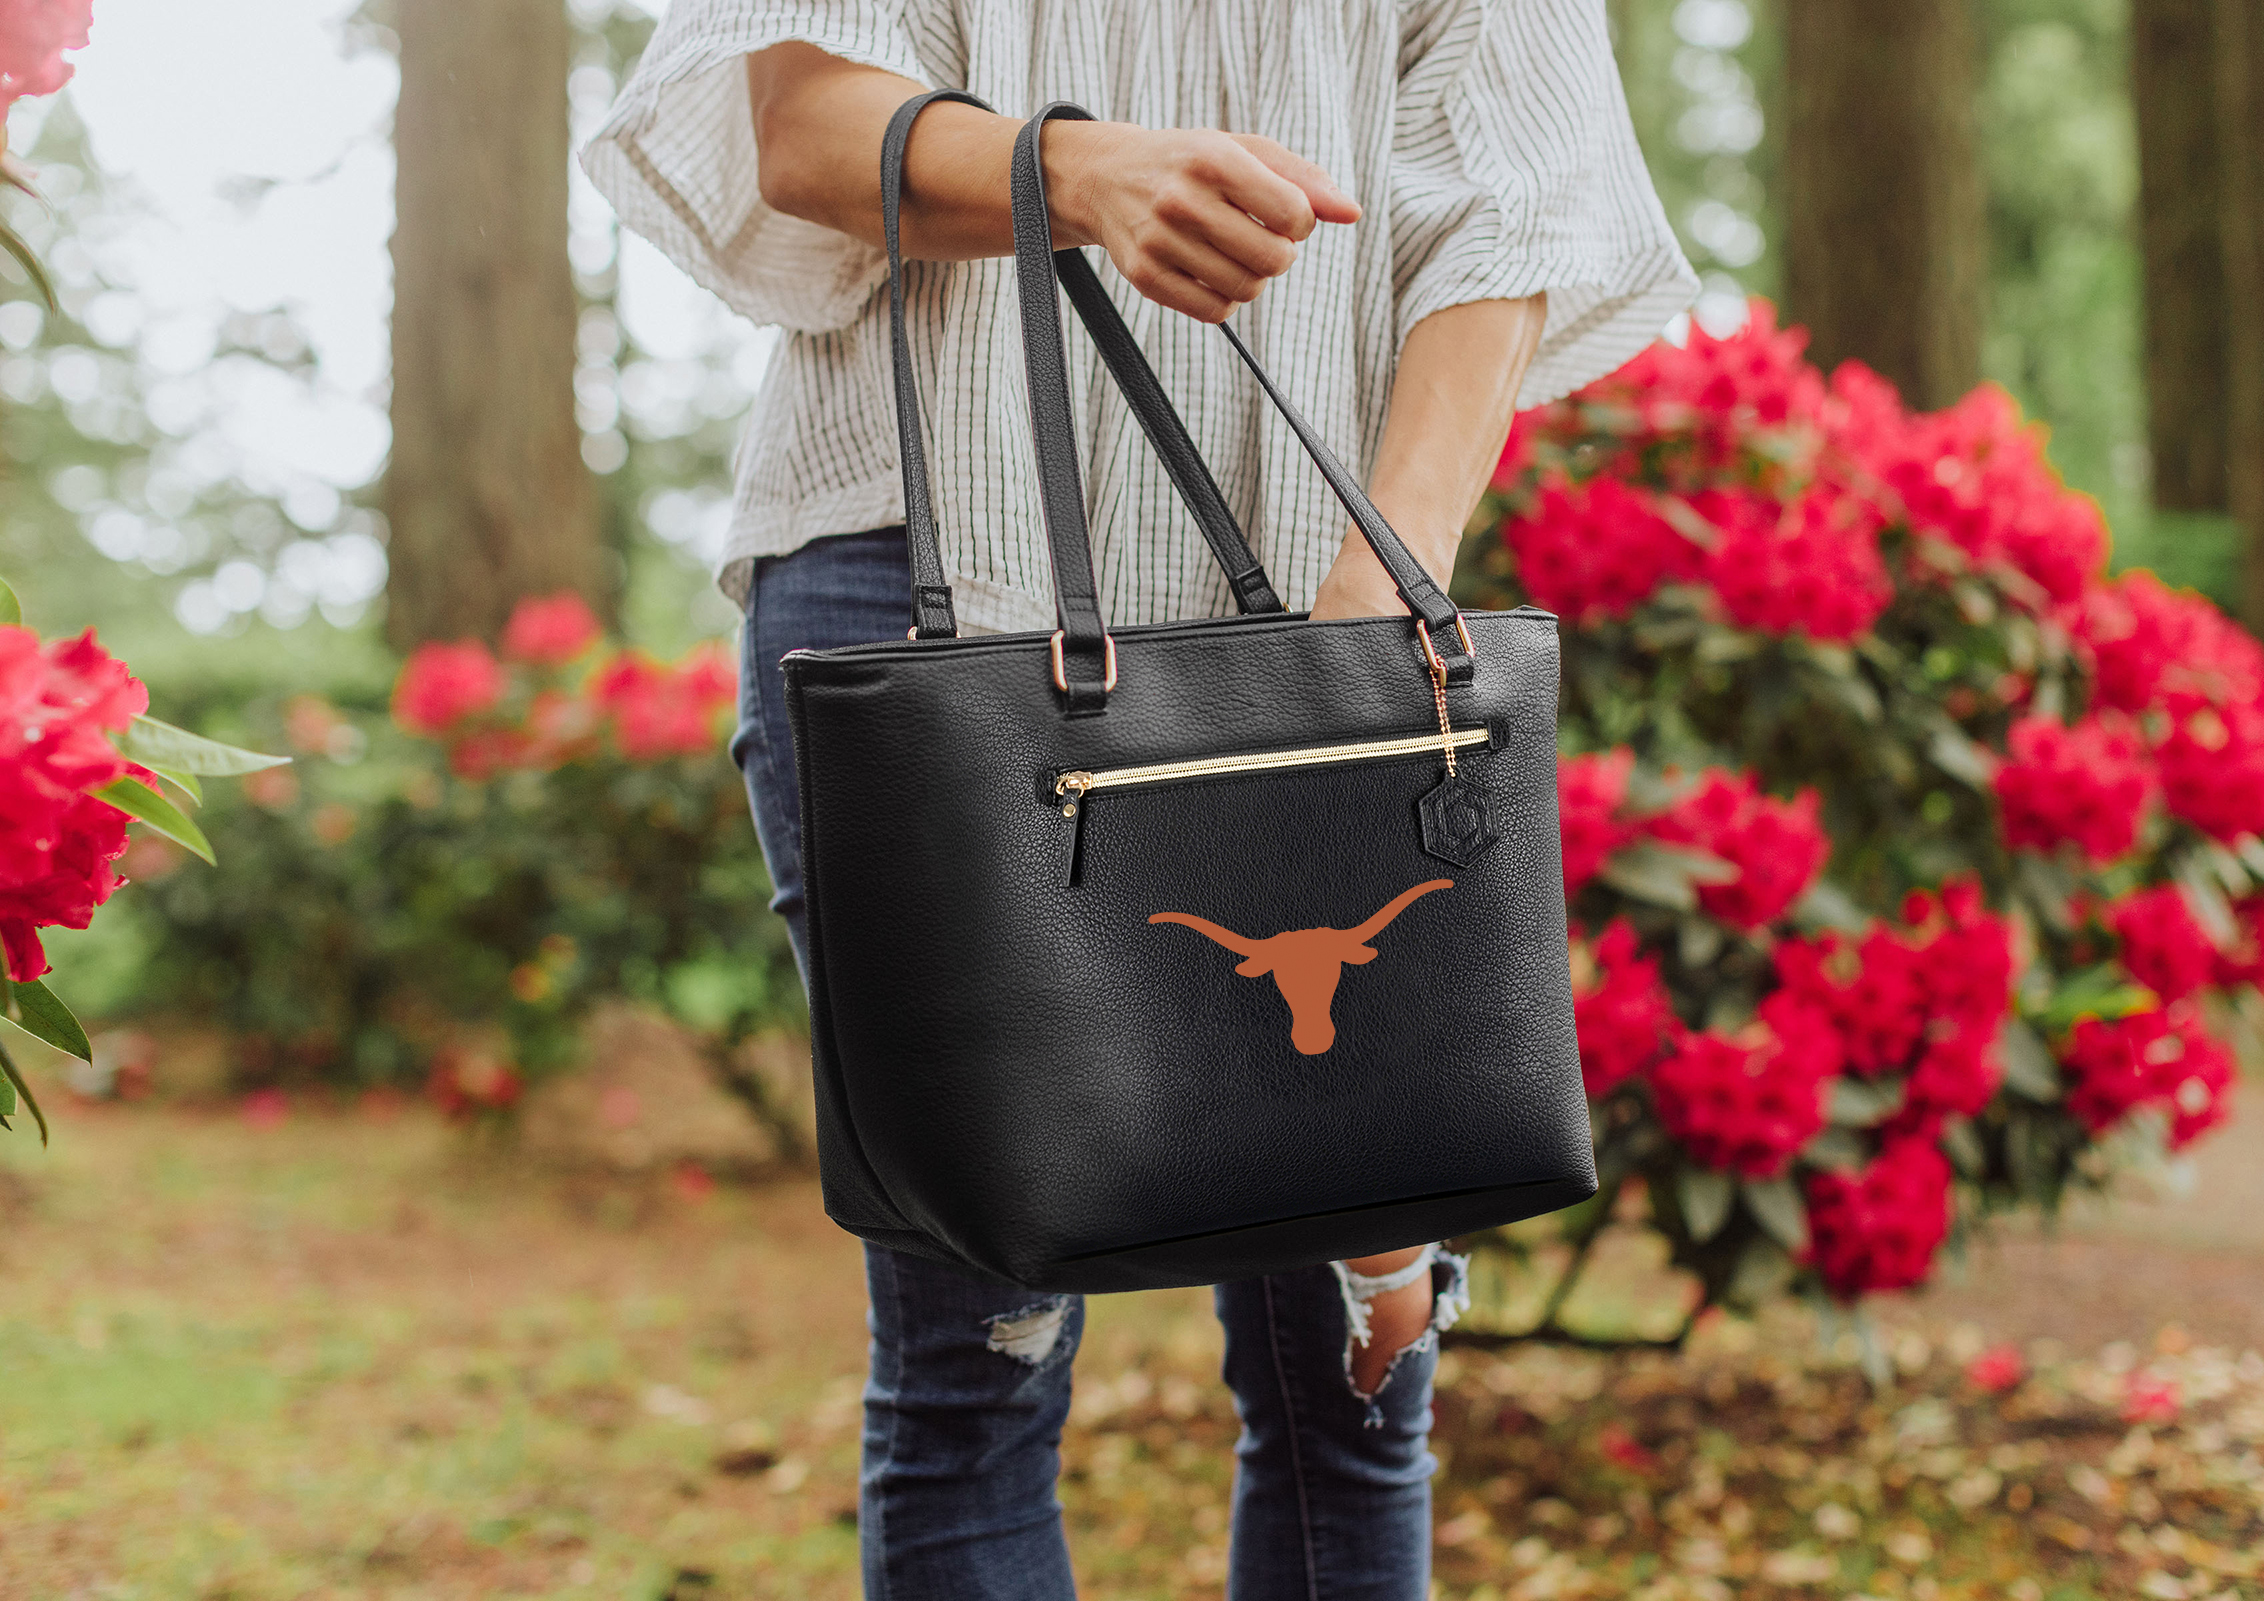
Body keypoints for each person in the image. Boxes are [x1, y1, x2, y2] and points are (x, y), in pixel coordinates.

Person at [586, 4, 1692, 1594]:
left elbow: (1515, 198)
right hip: (932, 605)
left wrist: (1385, 593)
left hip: (1319, 596)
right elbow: (805, 127)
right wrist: (1077, 173)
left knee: (1364, 1375)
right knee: (977, 1365)